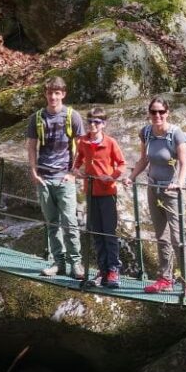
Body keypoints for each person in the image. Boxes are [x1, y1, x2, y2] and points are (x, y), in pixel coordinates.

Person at [129, 97, 186, 298]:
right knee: (161, 236)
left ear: (167, 112)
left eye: (161, 112)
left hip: (171, 191)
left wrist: (180, 183)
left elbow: (183, 162)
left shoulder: (176, 134)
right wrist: (131, 177)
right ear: (149, 113)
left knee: (178, 237)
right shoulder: (146, 132)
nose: (157, 116)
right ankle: (165, 279)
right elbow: (144, 159)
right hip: (153, 188)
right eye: (153, 112)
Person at [26, 77, 85, 278]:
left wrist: (72, 173)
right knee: (52, 223)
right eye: (50, 92)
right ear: (46, 94)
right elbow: (31, 146)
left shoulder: (72, 116)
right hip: (44, 177)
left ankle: (76, 264)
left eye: (57, 93)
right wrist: (33, 171)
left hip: (64, 178)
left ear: (63, 94)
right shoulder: (37, 118)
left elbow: (81, 147)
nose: (53, 96)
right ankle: (59, 263)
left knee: (70, 222)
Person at [73, 106, 126, 288]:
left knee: (108, 232)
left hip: (107, 193)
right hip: (91, 192)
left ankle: (113, 269)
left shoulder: (110, 142)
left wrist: (112, 177)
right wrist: (75, 169)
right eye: (90, 122)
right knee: (96, 232)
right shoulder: (83, 142)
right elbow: (78, 158)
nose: (93, 125)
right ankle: (102, 269)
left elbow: (121, 164)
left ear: (103, 124)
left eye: (97, 122)